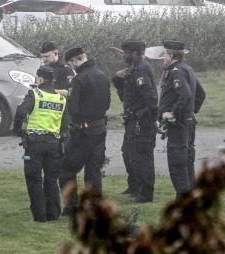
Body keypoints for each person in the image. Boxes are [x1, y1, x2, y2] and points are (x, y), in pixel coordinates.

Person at [13, 66, 70, 222]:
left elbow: (20, 112)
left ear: (40, 79)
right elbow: (65, 124)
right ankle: (53, 214)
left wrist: (18, 130)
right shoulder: (60, 99)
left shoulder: (34, 94)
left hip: (35, 143)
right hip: (54, 143)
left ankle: (39, 216)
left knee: (34, 179)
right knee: (51, 180)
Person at [59, 46, 111, 214]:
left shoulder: (79, 79)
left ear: (75, 60)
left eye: (71, 63)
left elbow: (74, 108)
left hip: (82, 132)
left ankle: (71, 206)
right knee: (93, 170)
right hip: (99, 128)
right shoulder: (102, 76)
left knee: (67, 169)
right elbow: (108, 103)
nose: (71, 67)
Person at [111, 39, 158, 203]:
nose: (124, 55)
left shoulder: (142, 70)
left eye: (127, 53)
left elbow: (151, 100)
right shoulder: (134, 69)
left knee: (142, 156)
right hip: (131, 119)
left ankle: (146, 193)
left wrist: (145, 117)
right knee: (129, 153)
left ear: (136, 53)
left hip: (140, 121)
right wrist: (116, 76)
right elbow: (122, 88)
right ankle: (134, 186)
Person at [158, 39, 206, 197]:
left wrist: (173, 113)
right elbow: (200, 94)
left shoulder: (176, 71)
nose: (163, 56)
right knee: (187, 161)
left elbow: (185, 96)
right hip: (188, 122)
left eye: (165, 53)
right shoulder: (187, 69)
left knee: (177, 164)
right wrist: (191, 112)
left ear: (171, 55)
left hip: (179, 125)